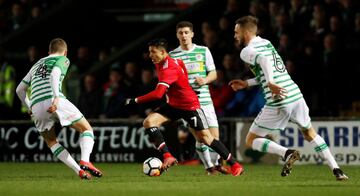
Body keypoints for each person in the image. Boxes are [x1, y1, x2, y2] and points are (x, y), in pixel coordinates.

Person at [229, 15, 348, 180]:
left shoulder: (246, 51)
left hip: (279, 100)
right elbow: (271, 68)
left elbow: (263, 62)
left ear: (246, 32)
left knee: (251, 140)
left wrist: (270, 82)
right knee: (310, 133)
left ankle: (287, 153)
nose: (235, 36)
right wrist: (247, 83)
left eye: (236, 32)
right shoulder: (267, 43)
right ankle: (337, 170)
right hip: (295, 94)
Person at [124, 38, 243, 176]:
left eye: (153, 52)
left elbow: (158, 94)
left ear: (163, 52)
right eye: (149, 52)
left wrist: (135, 100)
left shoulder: (169, 68)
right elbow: (182, 68)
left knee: (206, 138)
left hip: (189, 106)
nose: (150, 55)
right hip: (174, 105)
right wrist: (185, 87)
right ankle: (168, 156)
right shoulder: (166, 61)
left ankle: (235, 164)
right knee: (149, 122)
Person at [15, 38, 102, 180]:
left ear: (49, 52)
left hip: (36, 106)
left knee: (51, 142)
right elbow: (55, 73)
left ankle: (79, 171)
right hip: (54, 100)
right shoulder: (62, 59)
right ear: (65, 52)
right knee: (86, 129)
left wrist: (28, 107)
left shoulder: (36, 64)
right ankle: (85, 160)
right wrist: (56, 96)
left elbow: (20, 90)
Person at [169, 21, 230, 175]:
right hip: (187, 103)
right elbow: (169, 81)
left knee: (214, 137)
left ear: (192, 34)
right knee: (201, 137)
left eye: (186, 32)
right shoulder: (172, 55)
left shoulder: (203, 51)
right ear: (177, 35)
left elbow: (213, 73)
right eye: (180, 33)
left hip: (205, 100)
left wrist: (205, 80)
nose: (183, 35)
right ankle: (210, 167)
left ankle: (216, 164)